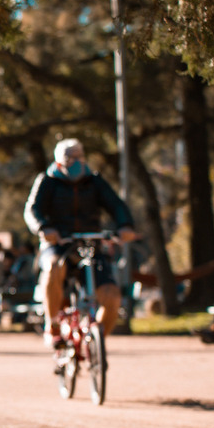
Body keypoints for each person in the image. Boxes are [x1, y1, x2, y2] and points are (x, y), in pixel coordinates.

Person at [24, 139, 137, 347]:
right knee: (53, 267)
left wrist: (125, 226)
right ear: (59, 162)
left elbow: (116, 205)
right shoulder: (47, 181)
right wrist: (43, 228)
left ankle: (95, 344)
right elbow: (32, 210)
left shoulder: (95, 182)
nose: (75, 162)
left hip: (91, 244)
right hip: (59, 243)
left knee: (112, 296)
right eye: (70, 159)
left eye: (78, 157)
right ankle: (53, 327)